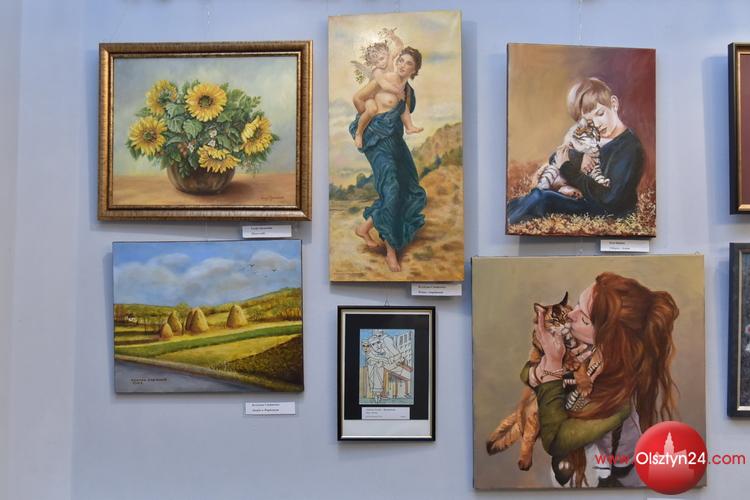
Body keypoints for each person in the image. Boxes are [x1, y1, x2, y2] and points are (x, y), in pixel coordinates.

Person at [525, 272, 679, 487]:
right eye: (577, 305)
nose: (571, 315)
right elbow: (528, 372)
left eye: (584, 318)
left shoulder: (618, 401)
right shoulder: (589, 352)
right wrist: (545, 367)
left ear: (608, 338)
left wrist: (552, 363)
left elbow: (556, 442)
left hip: (620, 481)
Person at [507, 77, 645, 225]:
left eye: (600, 114)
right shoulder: (596, 139)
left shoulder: (630, 147)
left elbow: (609, 198)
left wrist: (567, 168)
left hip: (606, 209)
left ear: (614, 104)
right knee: (529, 198)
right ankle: (506, 217)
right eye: (589, 122)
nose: (597, 125)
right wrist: (580, 157)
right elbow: (558, 156)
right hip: (586, 197)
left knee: (542, 198)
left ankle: (508, 222)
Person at [349, 47, 427, 272]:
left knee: (406, 189)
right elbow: (358, 98)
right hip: (377, 142)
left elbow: (405, 115)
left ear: (414, 70)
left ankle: (364, 228)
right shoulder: (383, 79)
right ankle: (391, 251)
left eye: (409, 63)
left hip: (396, 143)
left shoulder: (408, 92)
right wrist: (368, 117)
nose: (403, 65)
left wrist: (410, 127)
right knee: (391, 189)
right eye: (401, 60)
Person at [351, 33, 423, 149]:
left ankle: (409, 127)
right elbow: (384, 85)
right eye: (376, 62)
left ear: (387, 54)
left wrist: (393, 37)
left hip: (388, 106)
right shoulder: (377, 71)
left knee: (403, 105)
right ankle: (359, 133)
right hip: (370, 99)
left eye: (382, 58)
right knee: (371, 110)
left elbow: (400, 46)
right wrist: (397, 91)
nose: (381, 63)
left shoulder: (390, 61)